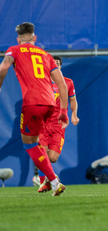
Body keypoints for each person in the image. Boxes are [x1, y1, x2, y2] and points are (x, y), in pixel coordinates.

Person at [0, 22, 68, 196]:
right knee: (37, 143)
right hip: (50, 105)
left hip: (32, 103)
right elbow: (62, 85)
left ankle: (53, 181)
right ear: (34, 37)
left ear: (18, 38)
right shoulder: (46, 54)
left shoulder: (13, 50)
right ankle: (50, 180)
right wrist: (63, 112)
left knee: (29, 144)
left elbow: (4, 67)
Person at [37, 55, 80, 192]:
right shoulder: (42, 82)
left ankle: (50, 178)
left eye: (57, 64)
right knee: (41, 156)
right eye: (52, 63)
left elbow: (73, 101)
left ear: (60, 66)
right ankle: (44, 183)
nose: (55, 66)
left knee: (53, 158)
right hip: (43, 125)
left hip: (58, 126)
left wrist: (74, 114)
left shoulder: (68, 83)